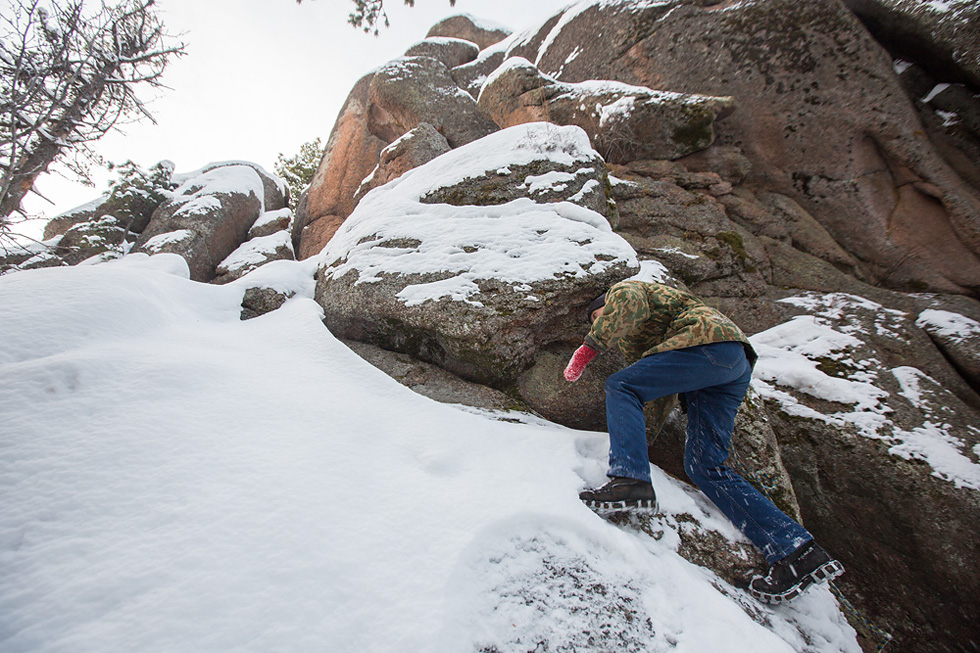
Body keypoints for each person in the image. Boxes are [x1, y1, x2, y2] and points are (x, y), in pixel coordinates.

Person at [563, 279, 844, 603]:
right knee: (704, 465)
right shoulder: (645, 336)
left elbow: (627, 305)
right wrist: (642, 439)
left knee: (620, 385)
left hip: (707, 345)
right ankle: (797, 551)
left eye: (598, 315)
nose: (601, 321)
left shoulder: (625, 293)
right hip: (729, 360)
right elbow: (657, 390)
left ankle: (629, 482)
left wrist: (589, 347)